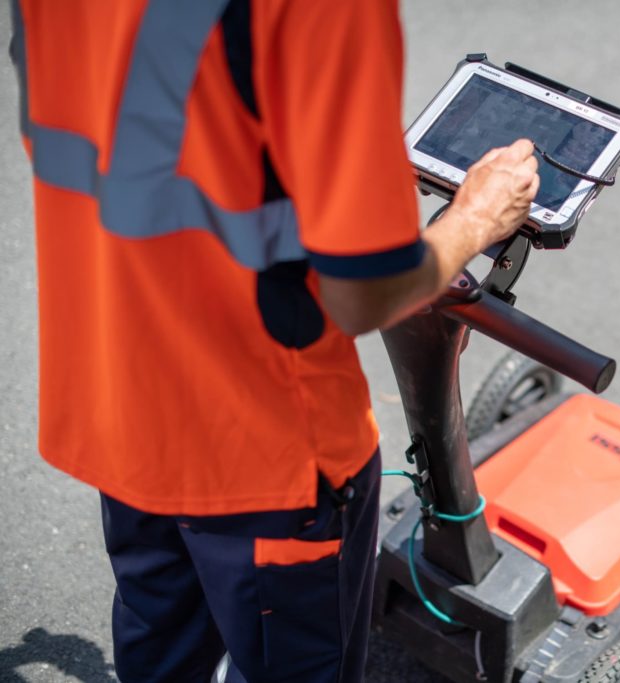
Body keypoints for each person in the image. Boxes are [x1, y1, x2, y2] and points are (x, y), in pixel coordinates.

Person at [10, 0, 539, 681]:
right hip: (265, 460)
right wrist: (476, 218)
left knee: (160, 649)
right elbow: (367, 292)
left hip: (120, 405)